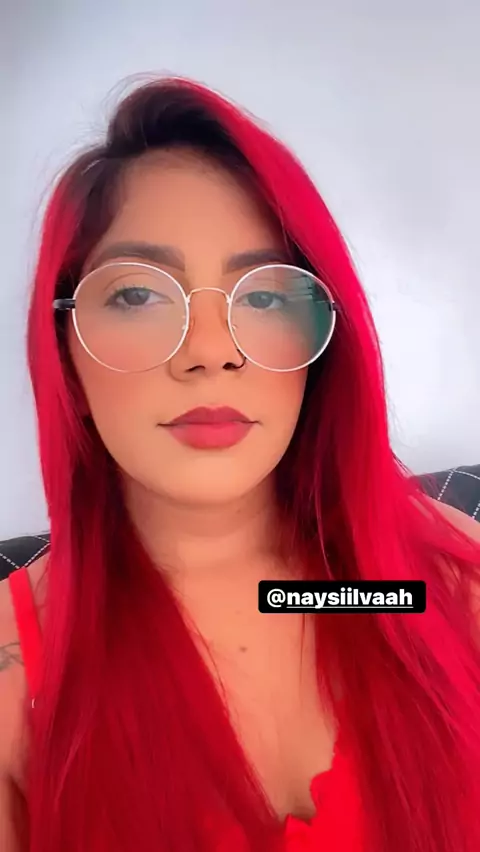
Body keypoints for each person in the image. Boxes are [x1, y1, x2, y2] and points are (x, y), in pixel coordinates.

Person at [0, 76, 479, 852]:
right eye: (138, 296)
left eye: (263, 296)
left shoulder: (446, 576)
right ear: (67, 359)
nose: (211, 352)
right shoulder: (16, 676)